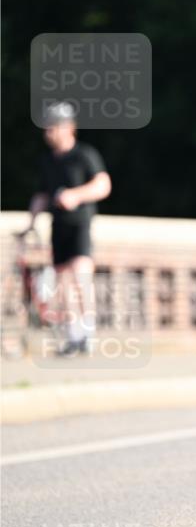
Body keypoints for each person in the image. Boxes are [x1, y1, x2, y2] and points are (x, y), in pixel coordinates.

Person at [26, 101, 112, 355]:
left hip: (79, 225)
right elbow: (42, 195)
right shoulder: (48, 161)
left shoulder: (84, 155)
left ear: (69, 128)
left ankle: (88, 332)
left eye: (53, 127)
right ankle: (74, 335)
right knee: (62, 281)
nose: (48, 133)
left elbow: (103, 185)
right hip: (58, 226)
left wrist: (75, 195)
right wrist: (29, 224)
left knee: (80, 275)